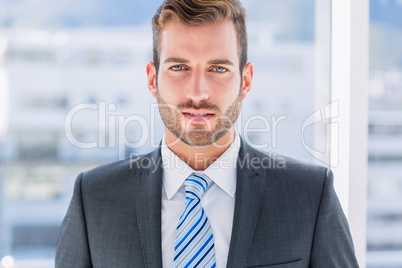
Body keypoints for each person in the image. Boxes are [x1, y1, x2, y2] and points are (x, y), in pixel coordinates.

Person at [56, 0, 359, 267]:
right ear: (152, 79)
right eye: (179, 67)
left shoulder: (310, 196)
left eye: (218, 68)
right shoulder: (94, 200)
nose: (198, 92)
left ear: (246, 80)